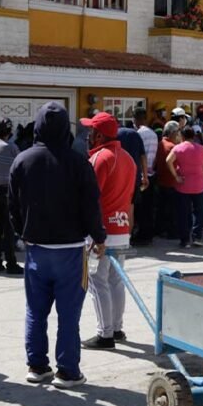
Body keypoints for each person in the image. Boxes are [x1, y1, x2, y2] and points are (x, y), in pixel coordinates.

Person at [12, 102, 106, 388]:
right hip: (71, 252)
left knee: (35, 311)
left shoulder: (23, 160)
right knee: (69, 315)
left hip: (37, 249)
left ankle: (37, 366)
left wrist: (22, 232)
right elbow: (91, 206)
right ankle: (67, 371)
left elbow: (12, 206)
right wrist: (99, 237)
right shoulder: (79, 162)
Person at [80, 112, 136, 350]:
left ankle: (105, 334)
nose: (88, 135)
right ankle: (116, 327)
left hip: (101, 230)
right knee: (116, 281)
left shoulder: (100, 158)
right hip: (122, 227)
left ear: (99, 134)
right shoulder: (128, 158)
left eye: (91, 131)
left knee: (97, 281)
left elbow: (90, 198)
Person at [0, 118, 23, 275]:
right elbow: (19, 167)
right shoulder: (12, 147)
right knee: (9, 229)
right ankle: (11, 263)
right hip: (8, 191)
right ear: (9, 131)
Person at [166, 127, 203, 248]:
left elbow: (168, 160)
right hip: (199, 184)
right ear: (194, 136)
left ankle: (184, 240)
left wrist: (176, 176)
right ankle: (197, 237)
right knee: (199, 212)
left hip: (183, 184)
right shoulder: (201, 148)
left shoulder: (178, 148)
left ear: (182, 136)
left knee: (183, 213)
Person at [132, 107, 159, 246]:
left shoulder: (138, 134)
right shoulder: (153, 134)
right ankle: (148, 234)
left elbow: (138, 155)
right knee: (148, 207)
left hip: (141, 175)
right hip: (151, 174)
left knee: (139, 208)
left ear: (136, 119)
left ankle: (141, 235)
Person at [154, 121, 182, 239]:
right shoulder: (173, 147)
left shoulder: (160, 144)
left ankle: (160, 230)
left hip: (161, 180)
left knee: (162, 208)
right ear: (174, 133)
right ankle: (172, 232)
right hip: (171, 181)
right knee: (173, 210)